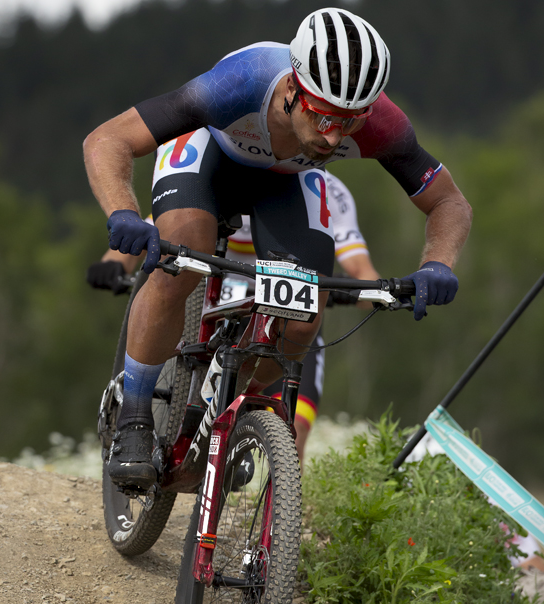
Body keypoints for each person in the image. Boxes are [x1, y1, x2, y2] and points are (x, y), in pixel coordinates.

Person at [83, 7, 472, 489]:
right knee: (183, 257)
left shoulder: (379, 124)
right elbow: (107, 139)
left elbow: (450, 202)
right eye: (325, 115)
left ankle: (228, 413)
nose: (334, 135)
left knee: (305, 314)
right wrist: (122, 211)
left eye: (351, 121)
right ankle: (135, 419)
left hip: (288, 179)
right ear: (292, 89)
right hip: (210, 153)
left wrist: (438, 263)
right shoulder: (238, 84)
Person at [87, 172, 381, 466]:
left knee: (294, 430)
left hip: (280, 311)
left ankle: (280, 508)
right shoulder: (220, 168)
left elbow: (362, 270)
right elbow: (157, 229)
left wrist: (362, 291)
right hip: (214, 303)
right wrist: (113, 263)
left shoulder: (327, 190)